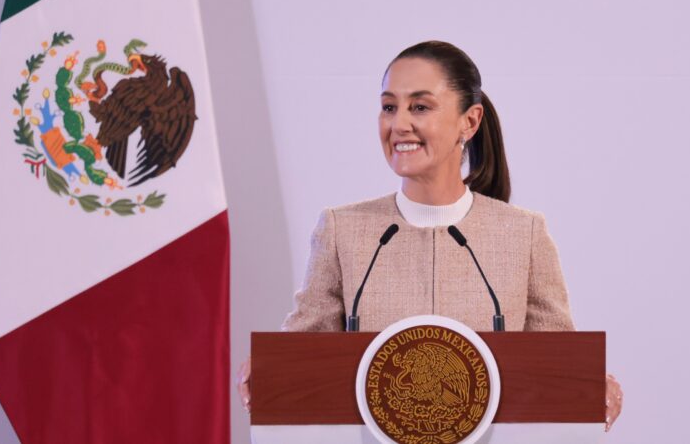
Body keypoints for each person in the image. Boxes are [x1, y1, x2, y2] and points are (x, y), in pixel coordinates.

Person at [237, 41, 622, 430]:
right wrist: (270, 367)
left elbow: (555, 363)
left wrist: (587, 383)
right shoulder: (343, 230)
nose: (399, 124)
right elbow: (302, 352)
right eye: (389, 107)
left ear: (469, 122)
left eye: (420, 107)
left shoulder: (523, 234)